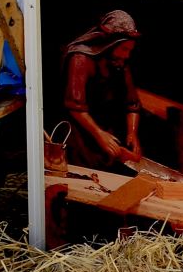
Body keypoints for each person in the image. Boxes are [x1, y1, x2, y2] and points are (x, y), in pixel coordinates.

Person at [60, 10, 145, 170]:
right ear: (110, 44)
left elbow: (132, 104)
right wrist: (99, 134)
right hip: (81, 130)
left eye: (129, 51)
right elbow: (75, 106)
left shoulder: (120, 62)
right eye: (124, 49)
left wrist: (132, 133)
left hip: (106, 127)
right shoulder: (80, 59)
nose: (126, 56)